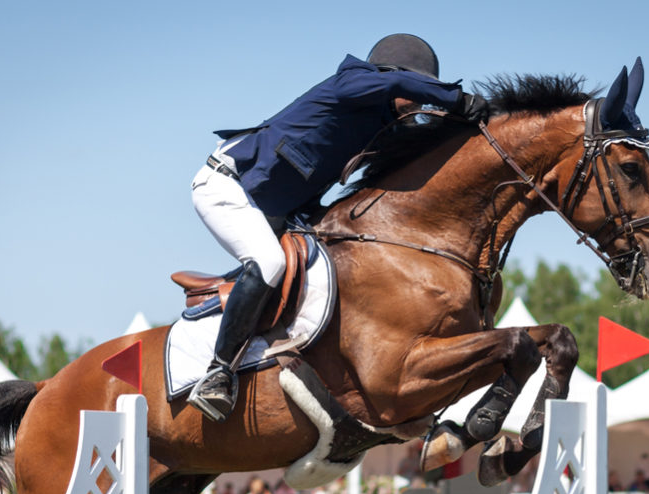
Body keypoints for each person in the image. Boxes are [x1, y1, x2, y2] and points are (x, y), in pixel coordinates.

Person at [187, 34, 489, 421]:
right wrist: (456, 98)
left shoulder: (377, 124)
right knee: (268, 263)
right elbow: (398, 84)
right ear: (391, 75)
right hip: (225, 186)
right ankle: (218, 371)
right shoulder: (350, 83)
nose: (415, 104)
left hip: (277, 207)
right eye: (415, 95)